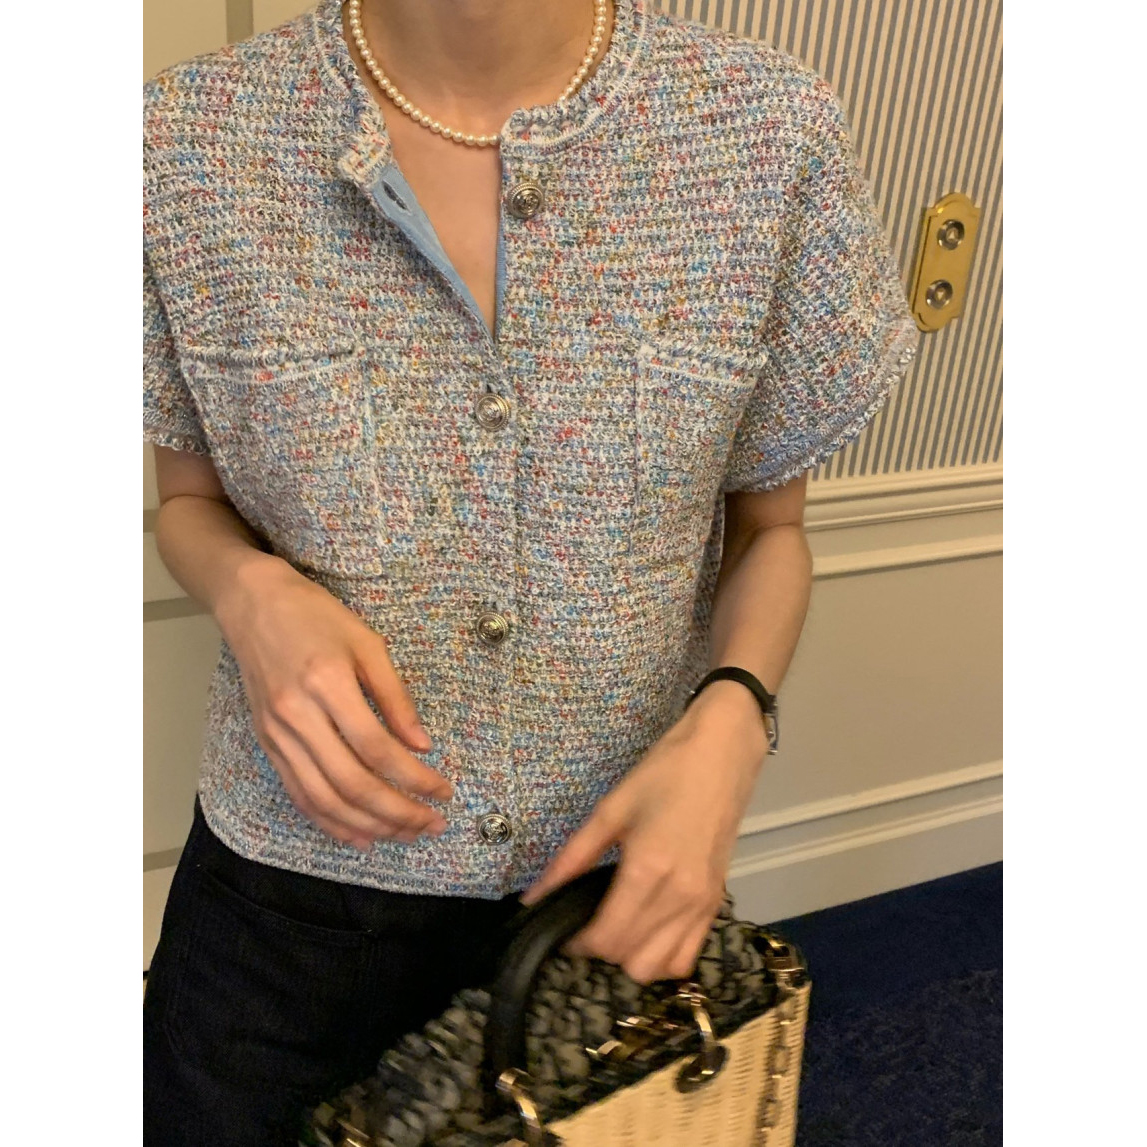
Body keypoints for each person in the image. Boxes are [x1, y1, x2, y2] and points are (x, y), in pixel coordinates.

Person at [141, 0, 919, 1142]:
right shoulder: (186, 143)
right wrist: (249, 593)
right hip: (289, 902)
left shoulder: (765, 132)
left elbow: (770, 529)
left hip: (609, 890)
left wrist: (732, 720)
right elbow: (188, 504)